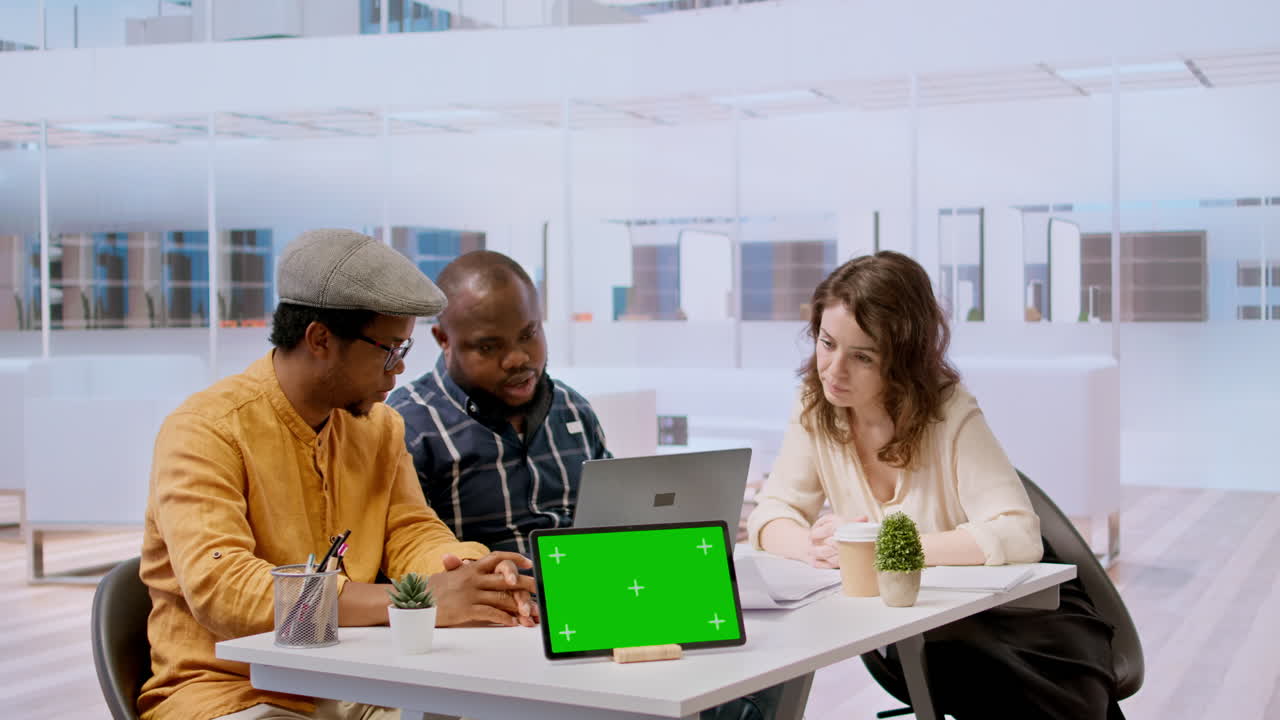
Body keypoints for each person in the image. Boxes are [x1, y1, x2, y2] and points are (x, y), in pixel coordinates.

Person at [138, 229, 537, 720]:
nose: (398, 373)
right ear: (320, 339)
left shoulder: (377, 427)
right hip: (231, 691)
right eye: (391, 350)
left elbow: (410, 530)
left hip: (355, 677)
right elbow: (223, 588)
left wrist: (474, 574)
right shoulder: (205, 429)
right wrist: (412, 600)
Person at [747, 251, 1123, 719]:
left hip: (1023, 622)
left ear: (902, 360)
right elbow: (771, 512)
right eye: (827, 344)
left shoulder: (950, 413)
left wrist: (893, 547)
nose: (834, 370)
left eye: (861, 356)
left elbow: (1019, 534)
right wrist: (811, 546)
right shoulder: (816, 408)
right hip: (915, 627)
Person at [388, 251, 610, 556]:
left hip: (587, 592)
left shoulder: (572, 409)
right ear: (443, 339)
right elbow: (409, 556)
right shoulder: (409, 428)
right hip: (484, 600)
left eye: (529, 334)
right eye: (489, 346)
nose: (518, 358)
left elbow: (615, 523)